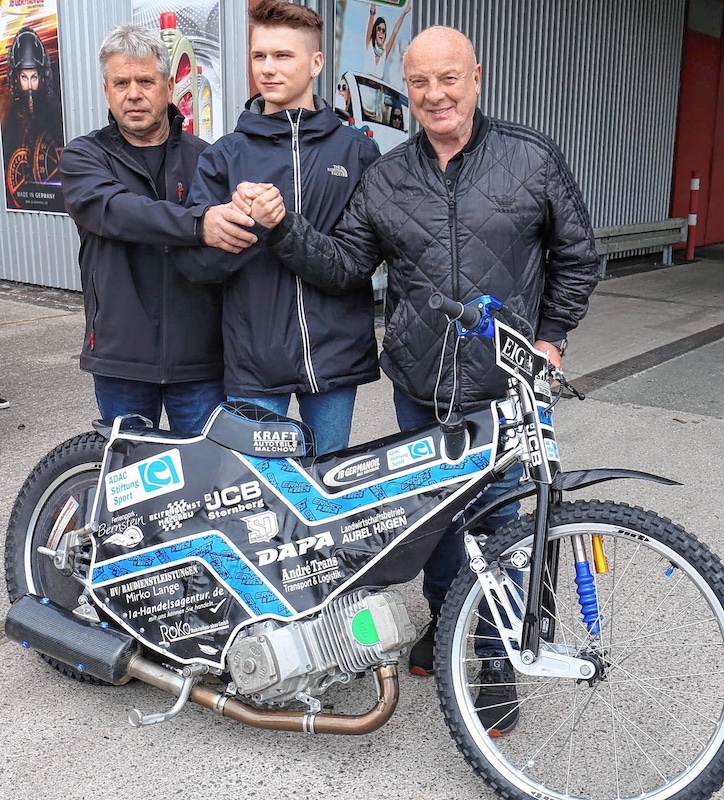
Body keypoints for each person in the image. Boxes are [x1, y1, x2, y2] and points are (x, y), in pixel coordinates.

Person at [238, 25, 599, 733]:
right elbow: (344, 264)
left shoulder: (531, 158)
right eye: (421, 82)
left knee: (500, 526)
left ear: (476, 76)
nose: (435, 95)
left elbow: (578, 256)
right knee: (434, 522)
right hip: (421, 385)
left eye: (449, 78)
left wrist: (552, 339)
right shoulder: (388, 176)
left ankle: (490, 663)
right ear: (407, 88)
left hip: (505, 389)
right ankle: (445, 630)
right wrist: (282, 231)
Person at [182, 0, 380, 455]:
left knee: (329, 491)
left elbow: (362, 259)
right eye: (259, 56)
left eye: (282, 56)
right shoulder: (224, 156)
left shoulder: (357, 153)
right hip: (254, 361)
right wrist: (235, 227)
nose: (267, 69)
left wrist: (279, 224)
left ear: (316, 63)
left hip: (335, 357)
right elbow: (196, 265)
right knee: (260, 505)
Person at [59, 24, 257, 436]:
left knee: (208, 488)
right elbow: (117, 211)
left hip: (199, 360)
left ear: (169, 86)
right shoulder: (84, 157)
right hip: (121, 358)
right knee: (130, 484)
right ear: (106, 90)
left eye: (145, 81)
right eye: (121, 82)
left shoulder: (206, 159)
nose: (133, 93)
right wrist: (199, 224)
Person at [2, 26, 64, 209]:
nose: (29, 84)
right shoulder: (8, 116)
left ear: (42, 77)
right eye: (24, 77)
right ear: (16, 77)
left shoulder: (54, 114)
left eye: (34, 77)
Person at [364, 2, 412, 81]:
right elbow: (372, 15)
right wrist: (373, 4)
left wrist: (404, 13)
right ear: (375, 31)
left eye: (383, 30)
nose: (381, 32)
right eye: (379, 29)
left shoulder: (384, 52)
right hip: (365, 87)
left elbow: (395, 31)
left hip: (377, 90)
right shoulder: (369, 44)